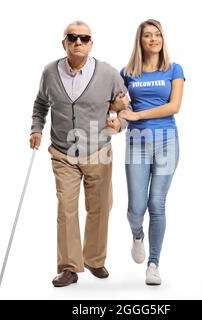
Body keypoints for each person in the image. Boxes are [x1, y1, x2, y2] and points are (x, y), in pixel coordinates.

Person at [29, 21, 128, 287]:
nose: (78, 42)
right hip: (63, 153)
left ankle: (95, 259)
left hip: (98, 151)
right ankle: (70, 267)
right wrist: (36, 129)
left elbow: (125, 107)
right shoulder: (50, 72)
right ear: (64, 43)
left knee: (99, 208)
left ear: (91, 43)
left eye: (84, 38)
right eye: (72, 37)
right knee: (66, 209)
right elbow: (40, 103)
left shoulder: (108, 73)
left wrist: (120, 122)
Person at [118, 19, 185, 285]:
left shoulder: (174, 69)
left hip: (167, 139)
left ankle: (153, 263)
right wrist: (121, 119)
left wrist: (138, 114)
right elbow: (120, 109)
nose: (154, 39)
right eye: (148, 35)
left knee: (157, 203)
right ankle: (137, 235)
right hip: (136, 141)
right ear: (140, 40)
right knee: (136, 207)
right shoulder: (127, 73)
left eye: (157, 35)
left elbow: (174, 106)